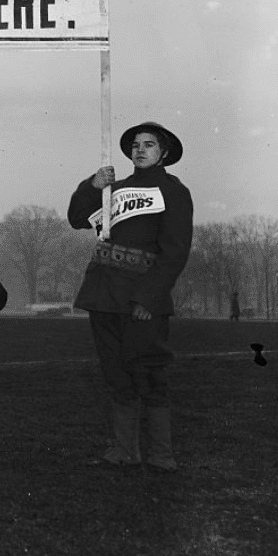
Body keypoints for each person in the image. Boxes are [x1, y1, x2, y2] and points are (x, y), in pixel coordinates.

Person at [66, 121, 193, 472]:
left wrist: (148, 298)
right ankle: (124, 449)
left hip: (142, 297)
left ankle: (162, 454)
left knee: (150, 373)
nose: (140, 150)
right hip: (103, 294)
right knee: (116, 375)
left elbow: (176, 251)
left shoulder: (173, 192)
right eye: (136, 144)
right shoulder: (113, 189)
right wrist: (92, 186)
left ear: (163, 152)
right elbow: (77, 218)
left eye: (149, 144)